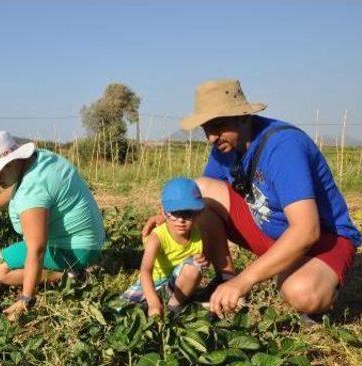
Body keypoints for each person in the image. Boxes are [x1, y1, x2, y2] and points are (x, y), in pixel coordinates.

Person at [142, 79, 361, 319]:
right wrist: (172, 216)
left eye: (218, 126)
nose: (211, 138)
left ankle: (318, 279)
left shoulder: (284, 148)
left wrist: (246, 280)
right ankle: (225, 278)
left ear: (244, 117)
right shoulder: (225, 148)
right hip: (269, 232)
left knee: (302, 293)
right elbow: (199, 203)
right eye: (206, 128)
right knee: (201, 191)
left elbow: (307, 231)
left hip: (324, 239)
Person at [0, 131, 105, 321]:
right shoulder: (39, 160)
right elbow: (13, 187)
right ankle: (76, 270)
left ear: (11, 163)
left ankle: (72, 275)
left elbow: (37, 248)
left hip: (74, 250)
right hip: (88, 241)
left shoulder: (32, 189)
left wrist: (26, 298)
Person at [120, 178, 209, 317]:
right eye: (174, 213)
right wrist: (153, 302)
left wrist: (202, 260)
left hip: (175, 284)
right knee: (122, 311)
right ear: (164, 211)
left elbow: (197, 262)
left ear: (198, 213)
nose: (181, 220)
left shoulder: (198, 234)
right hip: (151, 283)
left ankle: (173, 307)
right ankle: (154, 303)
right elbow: (145, 271)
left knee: (194, 268)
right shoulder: (157, 237)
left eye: (188, 214)